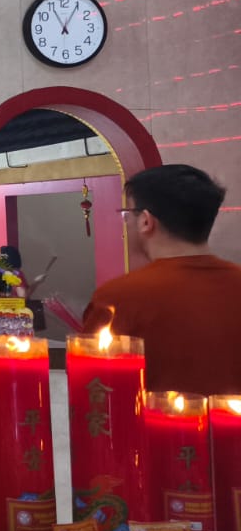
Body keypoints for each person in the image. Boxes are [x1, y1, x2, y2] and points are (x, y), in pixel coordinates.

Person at [83, 165, 241, 394]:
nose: (125, 223)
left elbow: (94, 386)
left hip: (147, 429)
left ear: (146, 221)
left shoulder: (117, 298)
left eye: (128, 215)